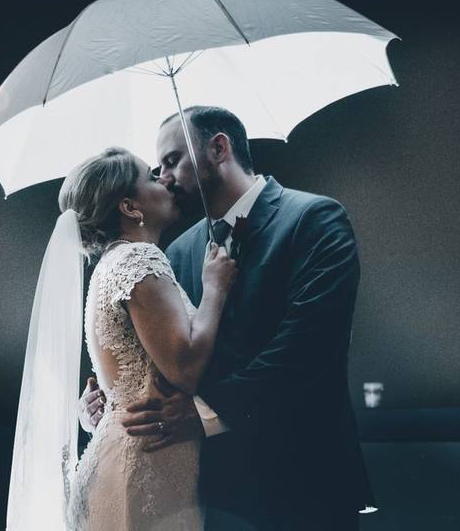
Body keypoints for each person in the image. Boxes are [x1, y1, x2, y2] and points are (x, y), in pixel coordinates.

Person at [81, 106, 375, 530]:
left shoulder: (313, 218)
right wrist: (106, 400)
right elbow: (155, 355)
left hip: (303, 480)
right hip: (210, 494)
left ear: (218, 148)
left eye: (171, 161)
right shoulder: (174, 253)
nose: (163, 177)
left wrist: (204, 412)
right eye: (157, 169)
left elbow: (310, 345)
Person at [10, 146, 237, 530]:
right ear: (131, 208)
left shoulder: (109, 266)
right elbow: (184, 369)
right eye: (151, 176)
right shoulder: (138, 260)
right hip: (144, 465)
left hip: (126, 456)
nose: (165, 179)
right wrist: (215, 289)